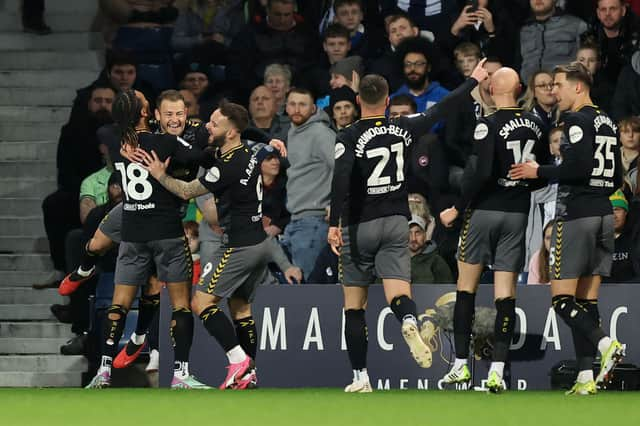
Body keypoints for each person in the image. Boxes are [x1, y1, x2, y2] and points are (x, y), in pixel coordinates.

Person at [327, 60, 489, 392]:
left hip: (359, 225)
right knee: (399, 292)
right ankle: (410, 321)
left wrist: (333, 223)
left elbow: (341, 179)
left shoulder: (348, 134)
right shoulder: (403, 126)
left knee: (354, 305)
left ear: (359, 101)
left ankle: (361, 377)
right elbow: (443, 108)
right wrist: (472, 80)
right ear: (387, 100)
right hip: (397, 222)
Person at [138, 101, 302, 389]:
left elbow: (188, 191)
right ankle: (251, 375)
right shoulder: (250, 151)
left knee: (200, 303)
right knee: (241, 309)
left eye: (215, 123)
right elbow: (246, 132)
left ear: (230, 132)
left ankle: (238, 360)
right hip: (260, 242)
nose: (207, 127)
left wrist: (159, 174)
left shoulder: (228, 166)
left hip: (239, 247)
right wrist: (268, 139)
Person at [510, 62, 625, 395]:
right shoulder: (606, 120)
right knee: (586, 302)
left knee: (561, 300)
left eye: (558, 85)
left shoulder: (575, 120)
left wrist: (538, 172)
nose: (552, 91)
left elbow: (575, 166)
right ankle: (586, 378)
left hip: (576, 215)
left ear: (578, 87)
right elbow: (616, 175)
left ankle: (606, 344)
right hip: (604, 213)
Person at [84, 90, 211, 389]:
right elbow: (193, 155)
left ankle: (103, 371)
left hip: (132, 233)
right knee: (180, 305)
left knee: (119, 305)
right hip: (166, 231)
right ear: (147, 113)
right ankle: (181, 374)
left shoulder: (118, 145)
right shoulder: (162, 142)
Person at [439, 67, 550, 393]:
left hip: (484, 211)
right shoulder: (537, 124)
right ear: (518, 88)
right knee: (505, 294)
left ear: (491, 89)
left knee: (466, 288)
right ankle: (497, 372)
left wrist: (457, 208)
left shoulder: (487, 125)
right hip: (516, 213)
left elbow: (479, 172)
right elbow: (540, 173)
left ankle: (461, 367)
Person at [284, 88, 336, 281]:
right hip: (296, 219)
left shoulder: (320, 133)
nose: (297, 109)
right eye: (292, 104)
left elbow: (343, 170)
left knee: (310, 287)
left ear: (313, 108)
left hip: (315, 221)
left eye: (302, 104)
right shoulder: (293, 132)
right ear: (285, 107)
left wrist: (337, 204)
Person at [518, 0, 588, 83]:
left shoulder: (577, 25)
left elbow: (587, 64)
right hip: (528, 90)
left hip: (564, 89)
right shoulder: (523, 30)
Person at [603, 190, 639, 282]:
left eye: (617, 210)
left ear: (625, 212)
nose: (613, 215)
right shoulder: (595, 241)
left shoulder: (635, 239)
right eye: (609, 210)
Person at [408, 215, 453, 284]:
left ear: (425, 235)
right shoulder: (396, 262)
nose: (413, 238)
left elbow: (446, 291)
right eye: (409, 233)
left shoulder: (436, 262)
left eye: (418, 233)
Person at [527, 220, 555, 285]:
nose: (551, 242)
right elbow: (532, 290)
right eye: (548, 238)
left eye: (555, 237)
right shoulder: (537, 258)